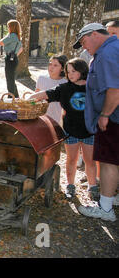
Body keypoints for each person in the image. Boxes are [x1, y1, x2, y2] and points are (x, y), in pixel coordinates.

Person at [28, 58, 98, 201]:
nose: (70, 74)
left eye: (74, 71)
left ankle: (93, 186)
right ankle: (70, 186)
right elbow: (46, 94)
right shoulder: (64, 88)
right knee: (71, 159)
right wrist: (30, 98)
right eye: (68, 71)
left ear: (82, 70)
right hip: (70, 130)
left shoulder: (92, 87)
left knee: (89, 160)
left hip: (89, 130)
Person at [72, 23, 119, 222]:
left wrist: (105, 114)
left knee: (108, 161)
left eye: (84, 41)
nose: (84, 47)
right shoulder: (113, 49)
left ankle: (106, 208)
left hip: (114, 117)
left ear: (94, 35)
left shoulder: (107, 54)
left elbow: (115, 90)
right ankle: (113, 197)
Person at [35, 54, 68, 124]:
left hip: (58, 120)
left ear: (62, 68)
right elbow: (36, 98)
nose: (51, 67)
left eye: (55, 65)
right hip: (42, 119)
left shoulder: (66, 83)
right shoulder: (41, 78)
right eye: (50, 64)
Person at [0, 19, 23, 98]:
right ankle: (15, 97)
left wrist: (7, 35)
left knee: (9, 79)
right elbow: (21, 49)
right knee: (11, 79)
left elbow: (1, 42)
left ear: (11, 27)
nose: (7, 28)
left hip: (10, 58)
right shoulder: (18, 36)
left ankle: (10, 97)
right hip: (14, 58)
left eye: (8, 26)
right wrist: (15, 54)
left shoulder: (12, 36)